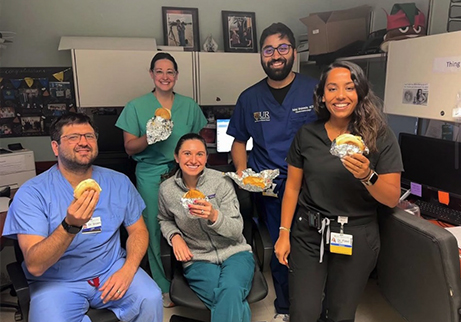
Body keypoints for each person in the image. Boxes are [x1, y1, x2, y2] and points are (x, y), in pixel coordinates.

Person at [274, 61, 403, 322]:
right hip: (309, 232)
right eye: (332, 89)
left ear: (361, 93)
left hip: (356, 234)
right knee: (303, 313)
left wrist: (368, 175)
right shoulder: (307, 135)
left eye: (349, 88)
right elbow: (292, 187)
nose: (340, 95)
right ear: (322, 96)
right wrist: (283, 233)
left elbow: (391, 198)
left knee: (340, 313)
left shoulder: (379, 136)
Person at [3, 113, 162, 322]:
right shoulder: (32, 193)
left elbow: (139, 231)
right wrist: (70, 225)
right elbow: (34, 265)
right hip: (57, 281)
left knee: (151, 298)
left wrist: (129, 269)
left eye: (89, 136)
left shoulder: (119, 182)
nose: (83, 142)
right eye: (73, 137)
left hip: (111, 269)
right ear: (55, 147)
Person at [226, 22, 318, 322]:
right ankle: (285, 308)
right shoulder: (249, 98)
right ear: (261, 56)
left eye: (282, 48)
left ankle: (319, 308)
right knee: (282, 250)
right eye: (268, 50)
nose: (275, 55)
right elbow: (239, 142)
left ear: (293, 51)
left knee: (318, 251)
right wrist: (243, 174)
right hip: (274, 190)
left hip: (315, 187)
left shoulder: (314, 90)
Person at [115, 52, 207, 307]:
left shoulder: (188, 106)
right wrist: (150, 136)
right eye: (159, 71)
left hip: (183, 174)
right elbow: (129, 148)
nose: (165, 76)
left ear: (176, 76)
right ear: (151, 74)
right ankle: (161, 285)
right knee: (153, 230)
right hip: (150, 174)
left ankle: (194, 278)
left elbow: (195, 143)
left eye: (170, 72)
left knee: (190, 224)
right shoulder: (135, 106)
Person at [158, 133, 255, 322]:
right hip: (198, 258)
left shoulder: (221, 182)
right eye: (187, 154)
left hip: (235, 252)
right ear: (177, 157)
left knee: (231, 290)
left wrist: (214, 216)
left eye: (200, 154)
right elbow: (164, 219)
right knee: (231, 298)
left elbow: (236, 229)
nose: (193, 160)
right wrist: (174, 237)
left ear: (206, 158)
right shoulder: (167, 189)